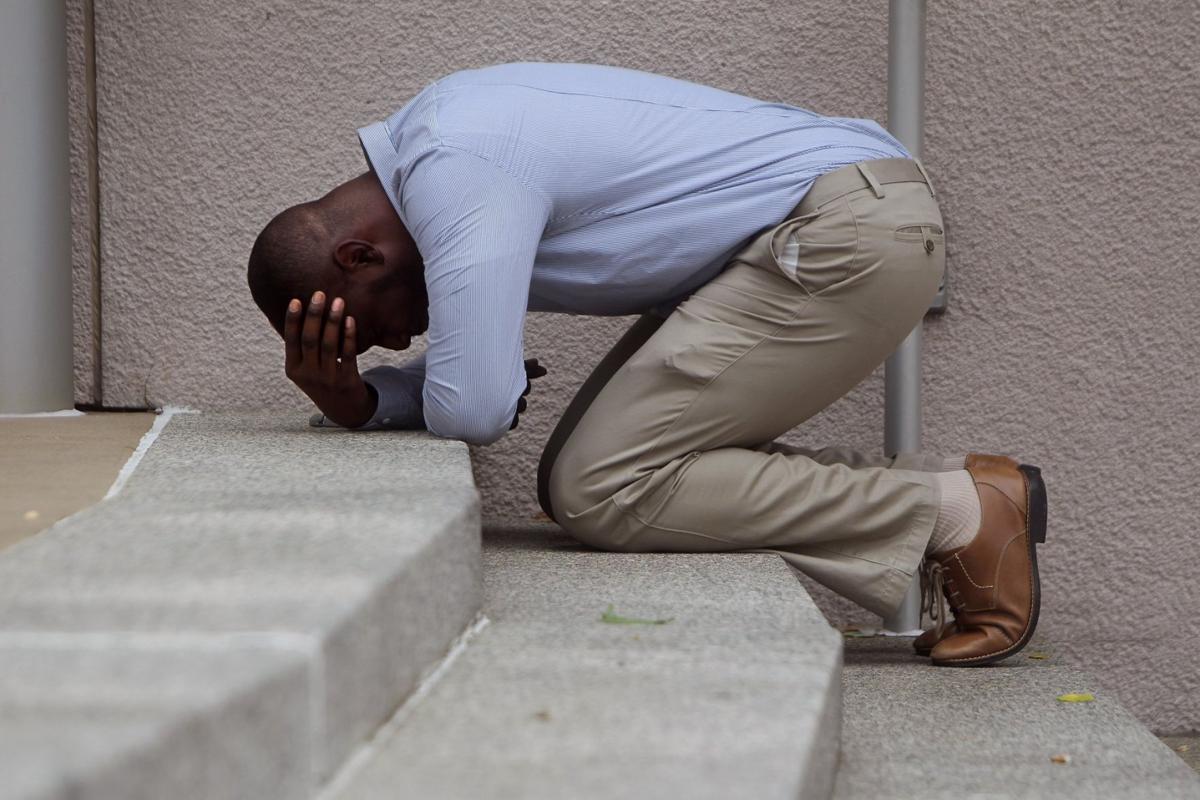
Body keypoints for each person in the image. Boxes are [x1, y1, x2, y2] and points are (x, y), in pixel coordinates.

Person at [246, 62, 1047, 667]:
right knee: (580, 472)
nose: (392, 342)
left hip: (844, 234)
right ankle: (961, 497)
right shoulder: (440, 137)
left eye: (368, 328)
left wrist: (367, 397)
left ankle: (959, 513)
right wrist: (360, 397)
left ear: (358, 255)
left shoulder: (457, 170)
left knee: (599, 486)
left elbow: (478, 404)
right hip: (808, 234)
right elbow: (484, 381)